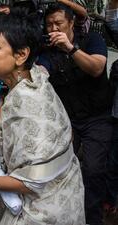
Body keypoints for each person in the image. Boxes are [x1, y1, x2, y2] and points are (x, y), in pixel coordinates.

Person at [0, 11, 85, 225]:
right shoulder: (35, 77)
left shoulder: (27, 103)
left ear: (21, 55)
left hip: (43, 213)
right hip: (66, 197)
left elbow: (31, 181)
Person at [37, 3, 113, 225]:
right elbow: (41, 72)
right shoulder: (47, 50)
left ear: (71, 23)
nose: (53, 29)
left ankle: (93, 219)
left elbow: (97, 68)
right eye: (49, 25)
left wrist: (70, 48)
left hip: (98, 118)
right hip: (68, 119)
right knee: (59, 167)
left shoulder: (92, 40)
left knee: (93, 169)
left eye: (58, 23)